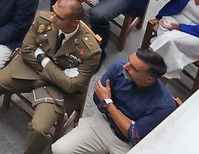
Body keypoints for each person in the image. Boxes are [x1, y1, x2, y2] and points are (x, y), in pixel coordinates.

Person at [0, 0, 104, 154]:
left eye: (59, 17)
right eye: (53, 12)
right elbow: (27, 49)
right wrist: (54, 70)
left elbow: (72, 85)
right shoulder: (44, 19)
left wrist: (43, 59)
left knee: (38, 128)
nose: (53, 18)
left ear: (74, 23)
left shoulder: (90, 51)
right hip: (32, 69)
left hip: (56, 89)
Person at [49, 49, 178, 153]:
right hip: (103, 123)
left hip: (127, 145)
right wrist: (127, 122)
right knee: (59, 149)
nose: (126, 67)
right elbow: (96, 97)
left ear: (149, 79)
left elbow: (134, 137)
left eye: (134, 68)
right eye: (128, 61)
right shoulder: (118, 68)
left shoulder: (164, 105)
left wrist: (108, 102)